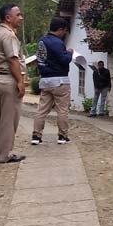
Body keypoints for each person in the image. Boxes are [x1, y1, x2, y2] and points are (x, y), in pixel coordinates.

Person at [0, 4, 26, 163]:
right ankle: (5, 154)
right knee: (9, 119)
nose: (20, 18)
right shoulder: (9, 35)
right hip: (8, 79)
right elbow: (12, 59)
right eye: (18, 15)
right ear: (8, 17)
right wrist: (20, 81)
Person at [31, 17, 74, 145]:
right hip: (60, 80)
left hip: (45, 80)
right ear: (60, 29)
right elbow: (64, 59)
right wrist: (69, 53)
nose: (64, 34)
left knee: (42, 109)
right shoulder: (57, 42)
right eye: (64, 31)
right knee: (62, 110)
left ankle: (36, 135)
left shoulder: (41, 41)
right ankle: (62, 135)